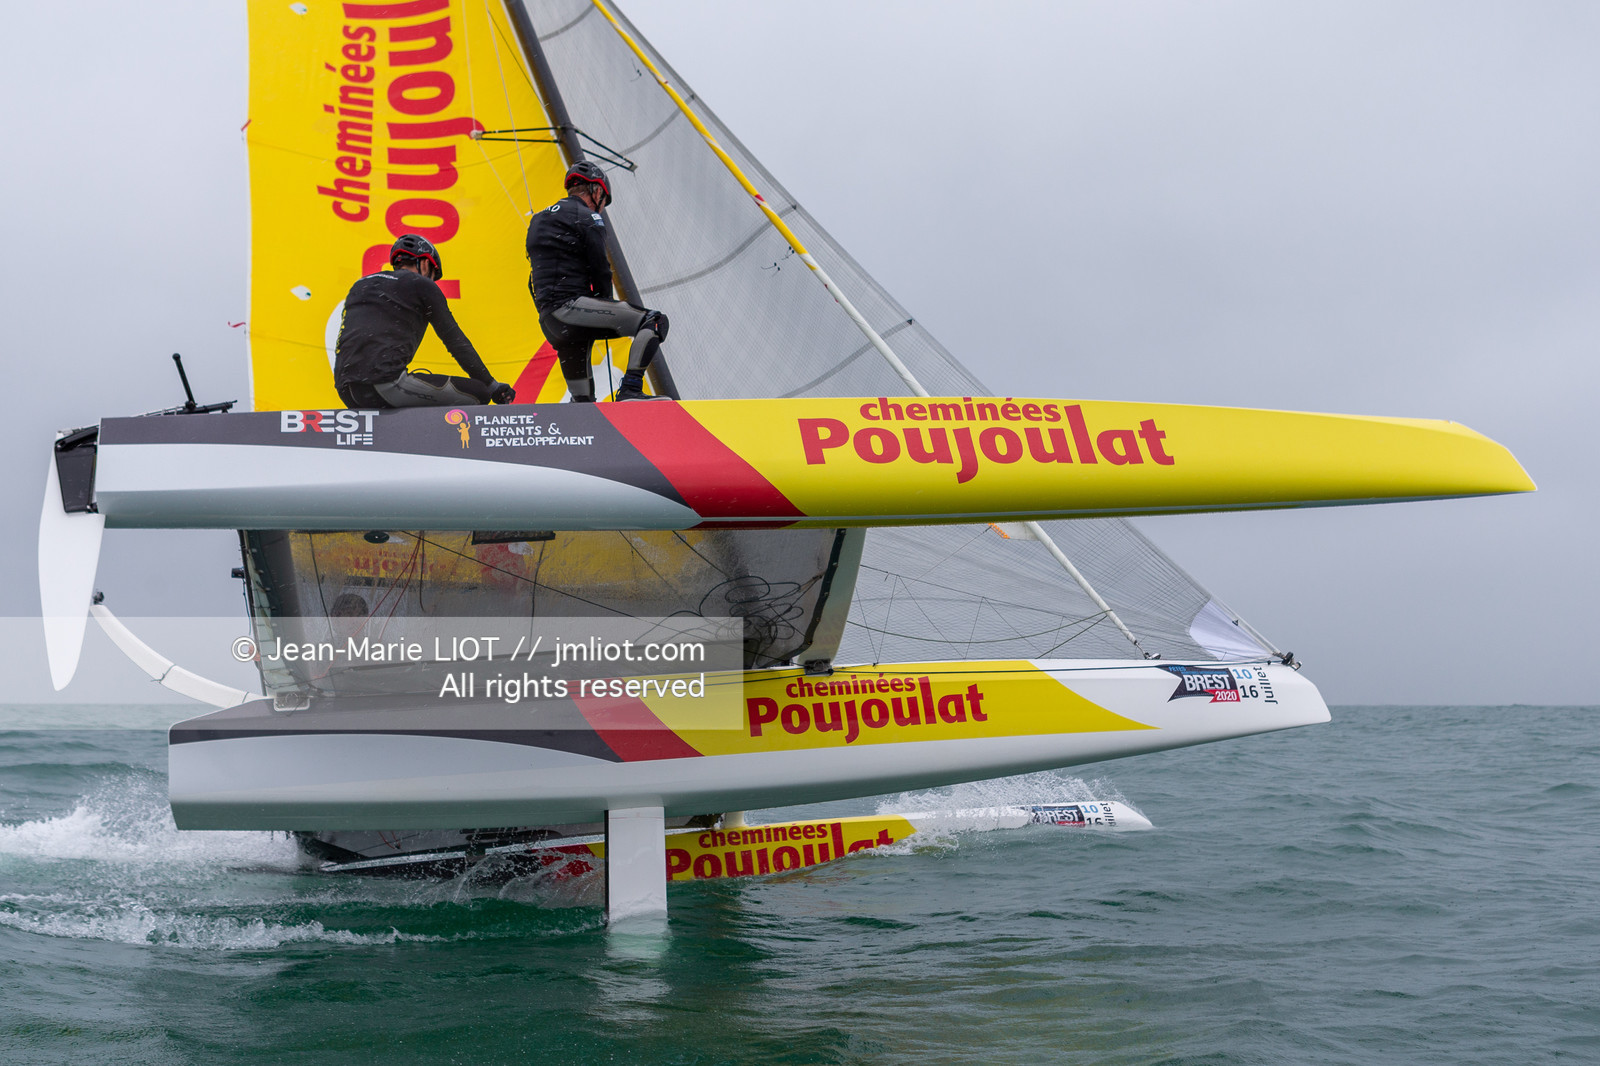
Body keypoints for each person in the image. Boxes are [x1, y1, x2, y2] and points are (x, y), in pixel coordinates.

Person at [526, 161, 670, 401]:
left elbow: (532, 279)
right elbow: (600, 269)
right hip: (571, 310)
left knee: (584, 406)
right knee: (654, 321)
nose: (602, 209)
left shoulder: (538, 220)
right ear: (598, 191)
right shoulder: (587, 216)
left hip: (551, 321)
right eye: (604, 202)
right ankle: (631, 389)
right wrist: (606, 305)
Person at [333, 234, 515, 409]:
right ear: (427, 263)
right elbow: (456, 342)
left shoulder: (361, 285)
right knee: (477, 393)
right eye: (434, 275)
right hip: (385, 385)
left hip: (346, 388)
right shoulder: (421, 284)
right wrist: (491, 386)